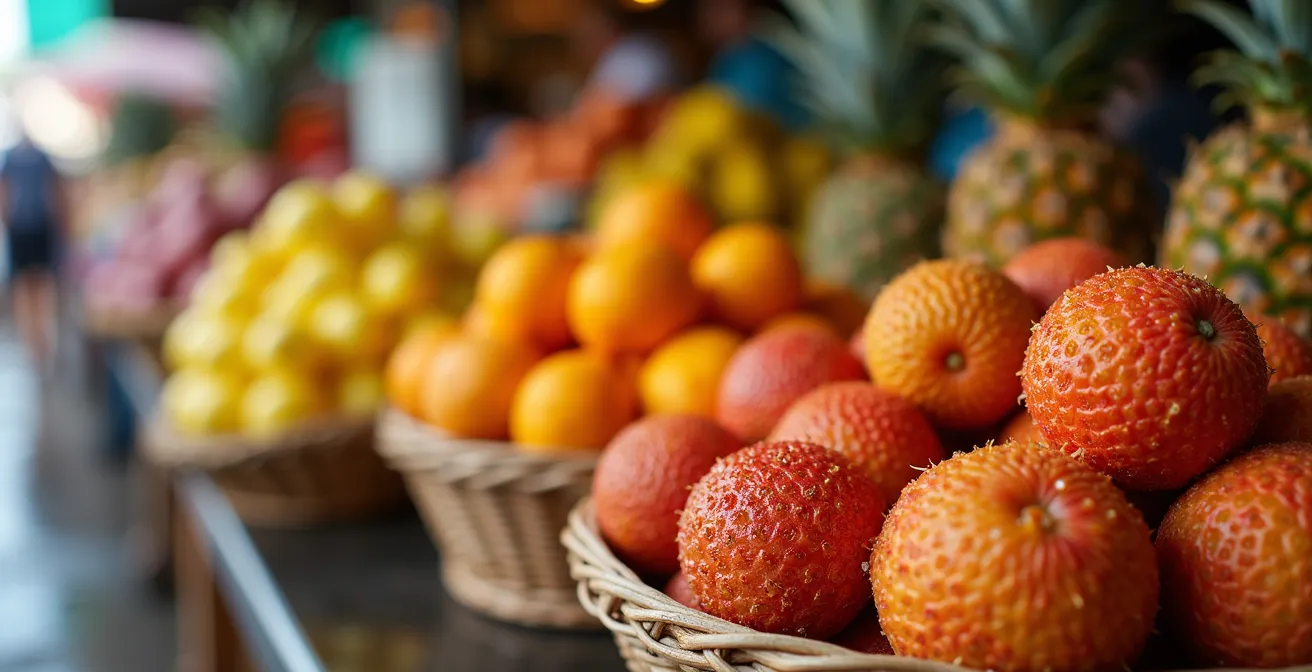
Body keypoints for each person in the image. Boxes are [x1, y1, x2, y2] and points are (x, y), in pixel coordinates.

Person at [0, 132, 64, 369]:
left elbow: (52, 191)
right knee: (28, 286)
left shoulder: (41, 158)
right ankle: (32, 339)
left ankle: (39, 338)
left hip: (36, 227)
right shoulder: (12, 158)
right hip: (25, 228)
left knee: (36, 285)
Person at [699, 0, 809, 131]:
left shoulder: (763, 59)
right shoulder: (727, 58)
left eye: (719, 9)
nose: (710, 18)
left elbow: (742, 116)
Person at [573, 1, 681, 103]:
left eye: (591, 30)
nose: (585, 41)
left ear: (610, 26)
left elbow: (620, 110)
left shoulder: (636, 53)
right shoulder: (609, 58)